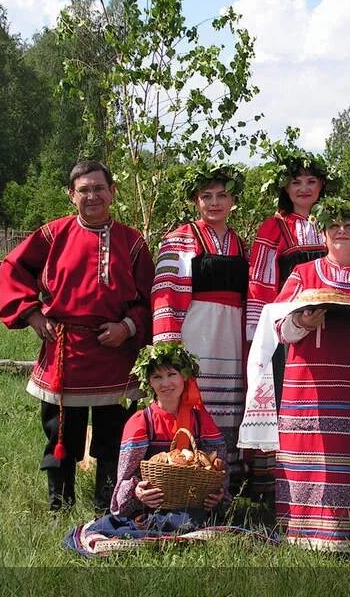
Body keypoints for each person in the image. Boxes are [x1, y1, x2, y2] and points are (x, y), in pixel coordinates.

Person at [239, 194, 350, 552]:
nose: (341, 232)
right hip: (308, 390)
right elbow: (276, 324)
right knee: (312, 461)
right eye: (334, 227)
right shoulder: (303, 274)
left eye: (349, 227)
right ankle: (304, 536)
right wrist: (302, 320)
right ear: (323, 235)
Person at [0, 160, 154, 513]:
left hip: (115, 356)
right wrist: (33, 313)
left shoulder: (132, 243)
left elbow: (149, 298)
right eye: (84, 190)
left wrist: (127, 327)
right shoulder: (53, 235)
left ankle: (108, 506)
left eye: (99, 188)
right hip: (63, 352)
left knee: (113, 437)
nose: (92, 196)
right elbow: (13, 269)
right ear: (72, 196)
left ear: (113, 192)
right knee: (60, 437)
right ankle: (60, 507)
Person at [64, 343, 227, 554]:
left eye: (171, 374)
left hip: (192, 501)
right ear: (148, 382)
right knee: (173, 522)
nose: (166, 383)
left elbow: (218, 465)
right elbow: (126, 474)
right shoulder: (141, 422)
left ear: (184, 376)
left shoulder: (200, 419)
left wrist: (217, 493)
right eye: (157, 377)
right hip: (151, 505)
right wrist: (137, 492)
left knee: (192, 518)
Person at [245, 145, 338, 504]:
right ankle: (279, 487)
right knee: (288, 399)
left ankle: (320, 476)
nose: (303, 188)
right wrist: (261, 330)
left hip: (331, 325)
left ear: (321, 186)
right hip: (288, 328)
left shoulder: (333, 222)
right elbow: (260, 280)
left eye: (311, 181)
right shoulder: (275, 227)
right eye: (296, 182)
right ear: (284, 188)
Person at [151, 163, 248, 493]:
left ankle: (225, 484)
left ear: (233, 199)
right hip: (196, 334)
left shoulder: (240, 242)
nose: (215, 203)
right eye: (206, 196)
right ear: (195, 201)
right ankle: (188, 482)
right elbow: (164, 292)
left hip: (232, 336)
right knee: (196, 401)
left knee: (232, 406)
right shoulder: (179, 239)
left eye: (222, 195)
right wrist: (168, 349)